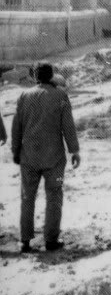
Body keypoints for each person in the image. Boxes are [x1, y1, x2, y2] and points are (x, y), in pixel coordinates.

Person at [11, 63, 80, 253]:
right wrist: (74, 151)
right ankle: (51, 240)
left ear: (34, 77)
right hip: (54, 158)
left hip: (29, 157)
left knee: (27, 198)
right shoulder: (60, 96)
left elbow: (17, 127)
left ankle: (25, 240)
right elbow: (68, 126)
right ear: (51, 76)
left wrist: (15, 151)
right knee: (54, 197)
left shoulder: (24, 96)